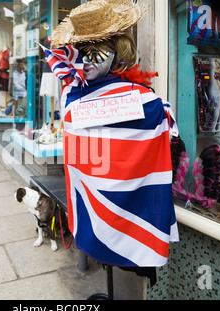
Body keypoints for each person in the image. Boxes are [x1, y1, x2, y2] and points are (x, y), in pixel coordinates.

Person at [46, 0, 179, 267]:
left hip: (131, 217)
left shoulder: (145, 101)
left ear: (117, 51)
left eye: (96, 51)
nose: (85, 61)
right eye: (80, 51)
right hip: (89, 206)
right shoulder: (73, 95)